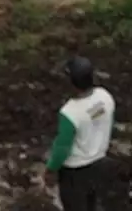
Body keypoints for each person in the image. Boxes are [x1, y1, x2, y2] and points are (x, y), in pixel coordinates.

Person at [43, 56, 117, 211]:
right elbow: (98, 118)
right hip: (99, 164)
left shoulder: (70, 112)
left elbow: (62, 147)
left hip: (75, 173)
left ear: (71, 83)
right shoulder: (105, 97)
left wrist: (51, 169)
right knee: (92, 204)